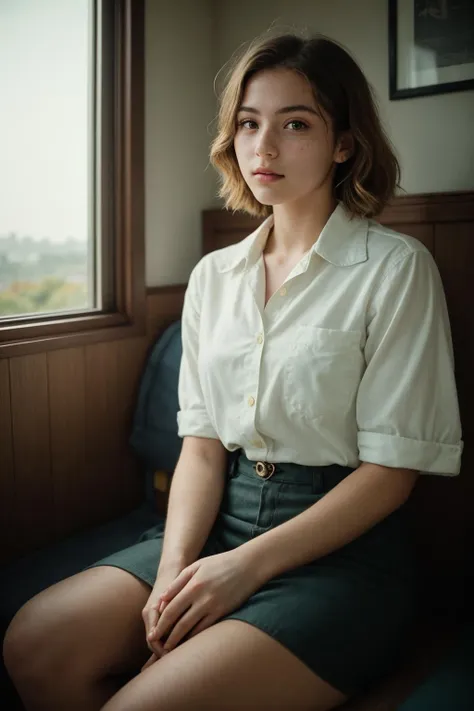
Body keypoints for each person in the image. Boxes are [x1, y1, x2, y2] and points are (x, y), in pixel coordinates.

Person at [3, 31, 463, 711]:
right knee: (35, 643)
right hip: (216, 522)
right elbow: (202, 445)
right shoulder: (214, 275)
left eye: (294, 124)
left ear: (344, 142)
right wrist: (173, 572)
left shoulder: (394, 269)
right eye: (249, 123)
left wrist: (244, 569)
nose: (263, 147)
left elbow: (391, 474)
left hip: (340, 555)